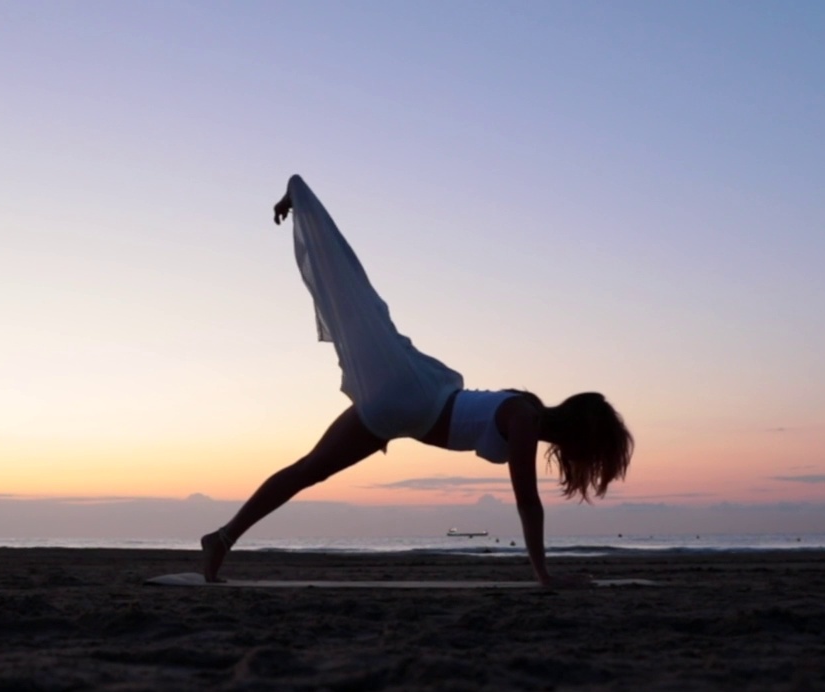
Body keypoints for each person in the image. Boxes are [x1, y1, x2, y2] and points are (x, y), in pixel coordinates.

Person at [201, 175, 634, 588]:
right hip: (412, 401)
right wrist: (544, 576)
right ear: (580, 433)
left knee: (309, 467)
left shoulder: (527, 408)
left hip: (408, 404)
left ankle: (223, 537)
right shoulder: (525, 418)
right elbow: (527, 502)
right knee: (360, 307)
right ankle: (304, 200)